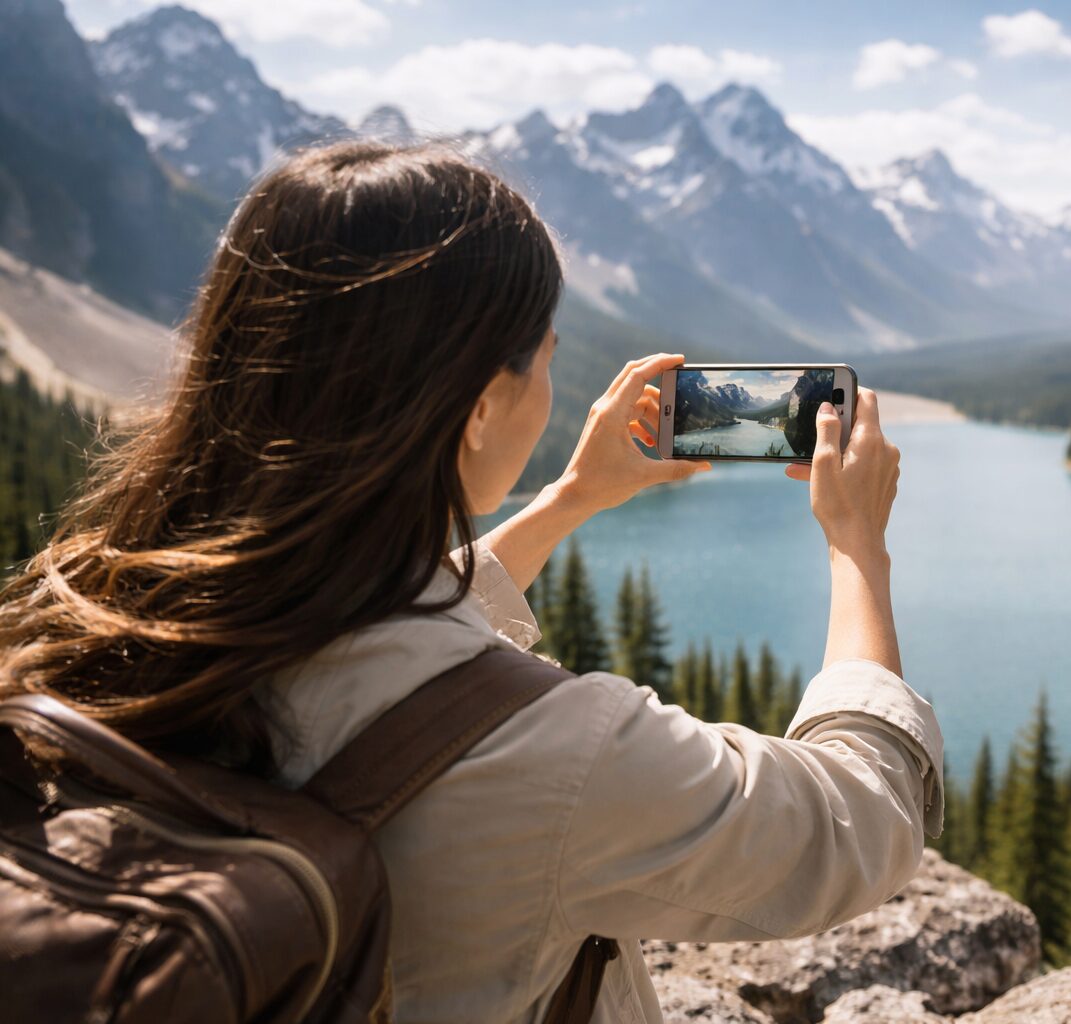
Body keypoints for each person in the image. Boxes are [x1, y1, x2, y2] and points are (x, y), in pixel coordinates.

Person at [0, 141, 943, 1022]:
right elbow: (851, 822)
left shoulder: (81, 607)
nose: (548, 386)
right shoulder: (565, 756)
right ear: (486, 406)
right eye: (543, 360)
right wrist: (855, 543)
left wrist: (568, 501)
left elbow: (372, 645)